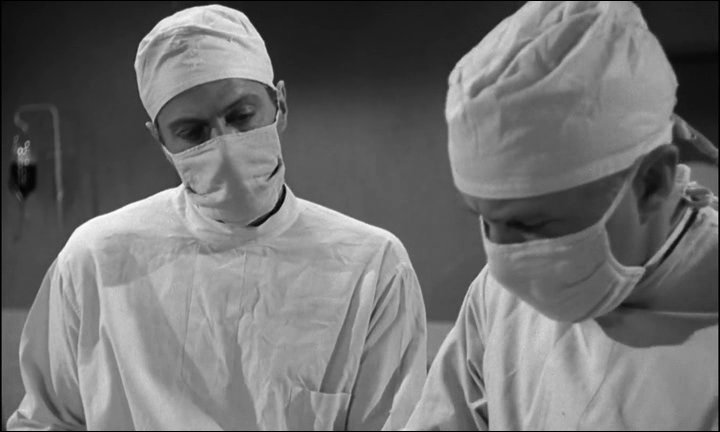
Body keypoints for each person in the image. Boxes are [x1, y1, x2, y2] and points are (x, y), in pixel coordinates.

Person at [7, 5, 426, 430]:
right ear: (160, 139)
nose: (225, 142)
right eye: (192, 132)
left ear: (280, 104)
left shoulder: (371, 267)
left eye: (241, 116)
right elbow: (44, 421)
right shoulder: (95, 259)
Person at [405, 1, 718, 430]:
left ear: (651, 183)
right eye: (485, 220)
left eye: (531, 225)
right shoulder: (497, 297)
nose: (505, 263)